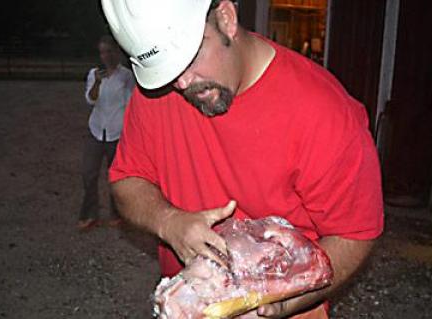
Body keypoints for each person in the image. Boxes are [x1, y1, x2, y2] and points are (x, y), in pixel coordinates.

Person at [102, 0, 384, 317]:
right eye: (167, 71)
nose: (181, 83)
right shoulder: (159, 89)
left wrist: (282, 303)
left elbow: (355, 234)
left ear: (226, 18)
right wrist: (168, 222)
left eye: (190, 58)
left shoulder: (324, 113)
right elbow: (127, 180)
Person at [78, 35, 135, 230]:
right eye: (102, 52)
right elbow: (90, 100)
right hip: (96, 129)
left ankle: (116, 213)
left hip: (116, 133)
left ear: (117, 52)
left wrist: (130, 133)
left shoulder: (126, 76)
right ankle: (89, 214)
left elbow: (129, 105)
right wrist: (97, 83)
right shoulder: (94, 74)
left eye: (109, 51)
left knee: (115, 176)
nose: (106, 56)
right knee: (88, 173)